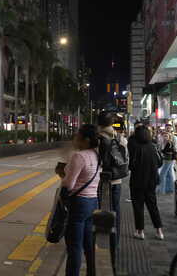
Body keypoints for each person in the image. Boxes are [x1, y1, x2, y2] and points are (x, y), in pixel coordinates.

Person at [62, 124, 101, 276]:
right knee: (88, 244)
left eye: (77, 135)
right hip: (93, 202)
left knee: (74, 246)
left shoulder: (79, 156)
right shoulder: (97, 155)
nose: (75, 138)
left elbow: (69, 184)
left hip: (79, 203)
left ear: (85, 139)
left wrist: (63, 177)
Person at [128, 125, 164, 240]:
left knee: (138, 207)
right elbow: (159, 163)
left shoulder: (135, 147)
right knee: (153, 206)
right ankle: (159, 231)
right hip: (151, 181)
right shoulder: (153, 146)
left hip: (137, 181)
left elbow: (131, 166)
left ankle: (140, 231)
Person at [97, 112, 127, 250]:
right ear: (112, 122)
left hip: (100, 181)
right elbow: (126, 159)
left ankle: (99, 242)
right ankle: (115, 242)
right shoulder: (121, 138)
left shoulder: (97, 138)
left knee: (98, 210)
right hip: (117, 180)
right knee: (116, 210)